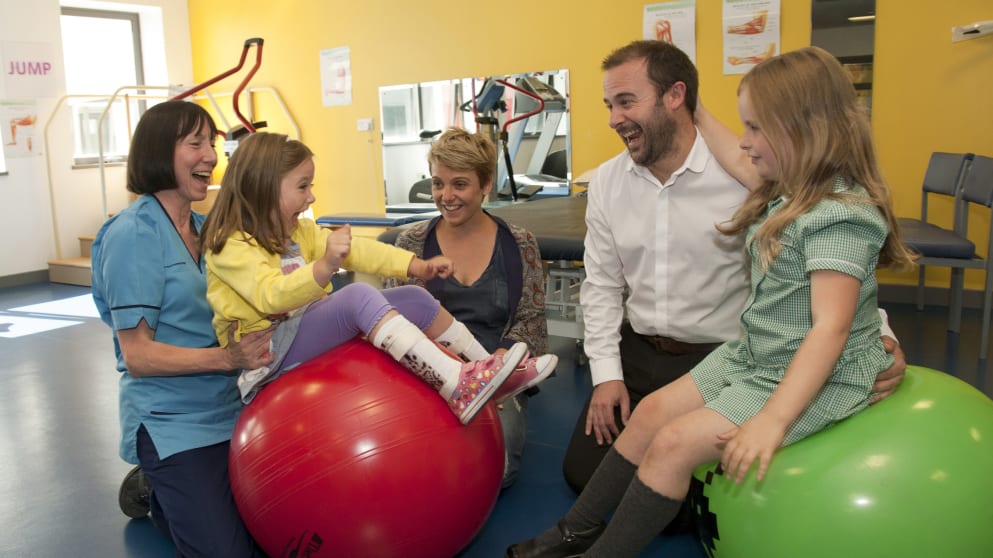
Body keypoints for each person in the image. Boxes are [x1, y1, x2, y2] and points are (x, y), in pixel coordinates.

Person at [507, 45, 917, 558]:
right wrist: (606, 375)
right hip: (707, 350)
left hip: (750, 353)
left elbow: (834, 317)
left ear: (674, 98)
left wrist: (880, 339)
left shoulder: (794, 195)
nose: (744, 145)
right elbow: (603, 285)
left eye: (627, 102)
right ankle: (574, 532)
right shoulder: (781, 188)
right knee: (642, 424)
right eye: (609, 104)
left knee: (674, 454)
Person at [200, 132, 557, 425]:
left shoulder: (299, 232)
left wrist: (416, 266)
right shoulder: (230, 245)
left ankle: (487, 371)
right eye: (303, 186)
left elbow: (362, 252)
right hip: (268, 354)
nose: (312, 196)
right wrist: (324, 266)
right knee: (356, 296)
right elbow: (270, 296)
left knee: (415, 298)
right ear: (262, 188)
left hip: (301, 332)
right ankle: (456, 382)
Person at [91, 101, 272, 556]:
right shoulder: (133, 234)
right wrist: (227, 358)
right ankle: (156, 488)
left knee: (274, 533)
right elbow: (139, 355)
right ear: (158, 153)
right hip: (171, 421)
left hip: (231, 408)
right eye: (196, 143)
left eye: (211, 143)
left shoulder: (206, 229)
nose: (211, 155)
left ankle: (166, 491)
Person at [385, 127, 557, 488]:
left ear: (486, 184)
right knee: (412, 467)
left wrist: (494, 366)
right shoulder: (411, 243)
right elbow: (391, 322)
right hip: (429, 372)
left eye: (459, 184)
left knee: (500, 469)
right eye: (437, 183)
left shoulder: (518, 244)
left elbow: (531, 321)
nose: (446, 196)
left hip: (496, 376)